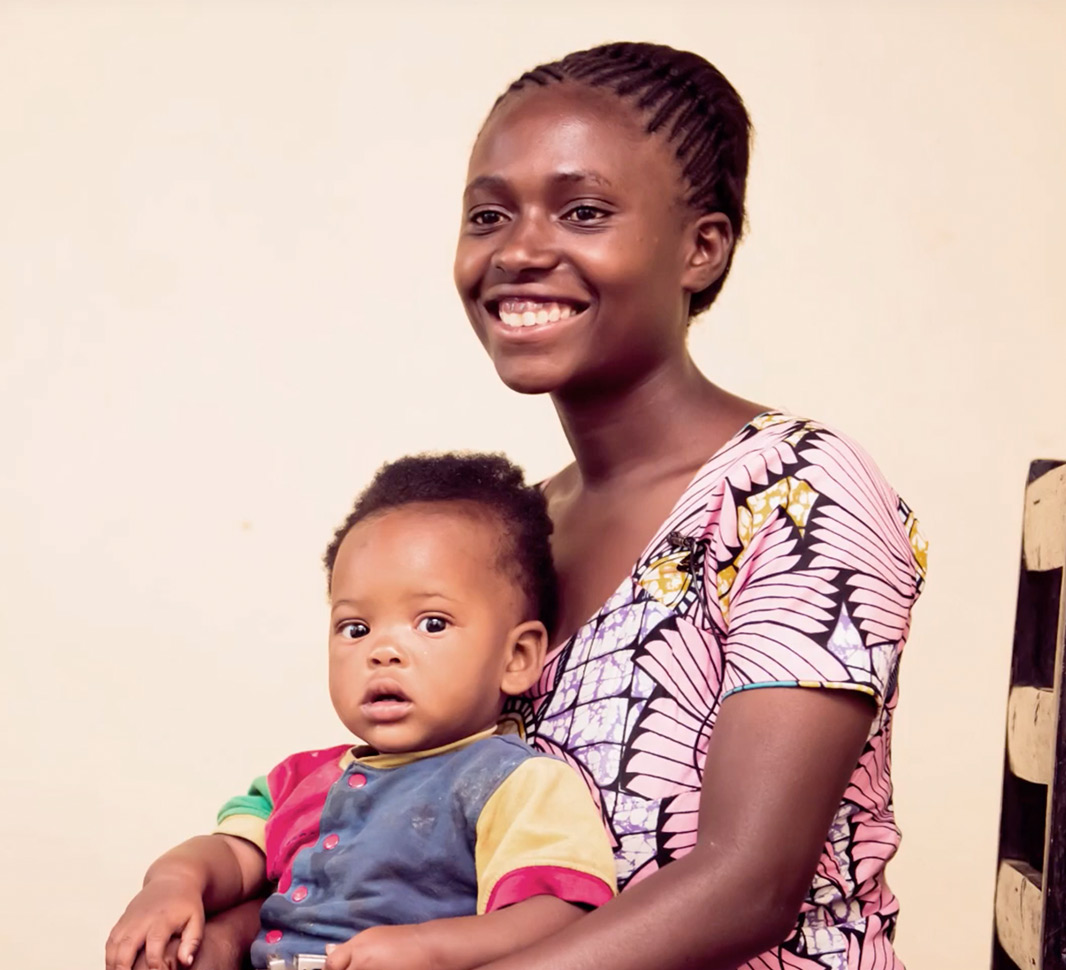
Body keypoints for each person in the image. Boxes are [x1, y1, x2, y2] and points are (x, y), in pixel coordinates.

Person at [136, 41, 927, 970]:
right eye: (489, 214)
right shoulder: (510, 532)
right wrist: (237, 930)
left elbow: (745, 886)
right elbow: (420, 832)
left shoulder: (799, 490)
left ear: (700, 248)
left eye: (584, 211)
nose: (520, 250)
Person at [105, 454, 618, 970]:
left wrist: (429, 948)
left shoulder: (515, 783)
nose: (383, 651)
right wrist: (174, 883)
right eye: (355, 628)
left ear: (517, 657)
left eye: (432, 623)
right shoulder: (299, 779)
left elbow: (562, 913)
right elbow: (233, 855)